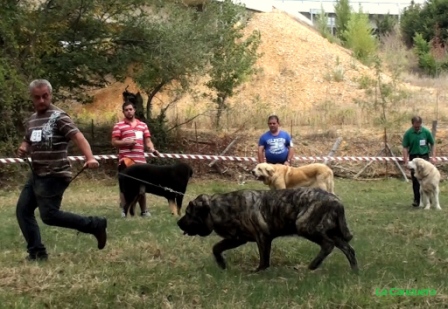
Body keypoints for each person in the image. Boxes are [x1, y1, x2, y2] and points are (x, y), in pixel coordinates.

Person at [16, 79, 107, 261]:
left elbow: (78, 137)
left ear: (50, 95)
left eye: (45, 96)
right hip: (37, 174)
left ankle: (95, 224)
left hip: (55, 174)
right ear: (32, 98)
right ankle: (37, 252)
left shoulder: (59, 116)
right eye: (37, 97)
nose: (41, 100)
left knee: (49, 215)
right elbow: (28, 139)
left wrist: (90, 157)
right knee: (23, 211)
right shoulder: (32, 119)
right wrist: (24, 147)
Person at [111, 101, 159, 218]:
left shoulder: (143, 125)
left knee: (142, 187)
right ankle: (124, 210)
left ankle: (144, 211)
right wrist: (125, 142)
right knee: (125, 187)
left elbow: (147, 141)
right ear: (123, 112)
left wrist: (152, 150)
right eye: (126, 110)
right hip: (125, 161)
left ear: (134, 110)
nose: (129, 111)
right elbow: (114, 142)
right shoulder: (119, 126)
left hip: (140, 161)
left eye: (130, 109)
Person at [402, 115, 436, 207]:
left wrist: (433, 157)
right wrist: (405, 160)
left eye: (419, 125)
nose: (417, 127)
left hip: (424, 157)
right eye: (416, 126)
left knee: (428, 179)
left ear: (421, 124)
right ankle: (417, 200)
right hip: (413, 158)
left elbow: (432, 144)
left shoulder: (426, 132)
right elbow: (405, 147)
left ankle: (430, 199)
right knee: (416, 180)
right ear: (412, 124)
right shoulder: (408, 133)